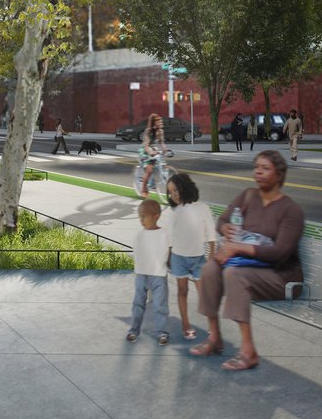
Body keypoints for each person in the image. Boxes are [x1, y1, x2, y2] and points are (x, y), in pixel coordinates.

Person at [189, 150, 304, 371]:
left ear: (279, 175)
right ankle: (215, 338)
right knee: (210, 268)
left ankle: (248, 351)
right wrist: (225, 227)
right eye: (256, 167)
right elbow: (222, 220)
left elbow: (281, 253)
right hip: (248, 267)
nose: (258, 172)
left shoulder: (291, 210)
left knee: (234, 274)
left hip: (282, 277)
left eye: (265, 168)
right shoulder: (248, 196)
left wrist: (237, 247)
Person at [163, 172, 214, 342]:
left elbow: (211, 234)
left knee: (204, 293)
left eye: (176, 190)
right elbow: (169, 237)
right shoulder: (174, 212)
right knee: (182, 291)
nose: (174, 195)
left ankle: (212, 327)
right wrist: (168, 257)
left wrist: (212, 256)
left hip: (198, 258)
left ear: (185, 187)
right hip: (178, 258)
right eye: (170, 192)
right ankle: (186, 325)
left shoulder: (202, 208)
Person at [127, 199, 170, 344]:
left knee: (160, 305)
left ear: (156, 216)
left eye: (144, 216)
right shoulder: (139, 235)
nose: (141, 220)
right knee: (138, 303)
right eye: (140, 217)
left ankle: (161, 333)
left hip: (159, 275)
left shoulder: (164, 234)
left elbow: (168, 252)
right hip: (141, 275)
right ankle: (134, 330)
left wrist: (170, 266)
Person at [138, 113, 165, 197]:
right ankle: (143, 190)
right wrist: (150, 152)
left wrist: (165, 149)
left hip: (153, 149)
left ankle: (152, 181)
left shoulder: (160, 131)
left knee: (158, 164)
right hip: (145, 151)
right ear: (154, 123)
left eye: (161, 122)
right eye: (158, 122)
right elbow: (146, 145)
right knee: (149, 170)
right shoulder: (148, 131)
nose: (161, 123)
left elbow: (161, 143)